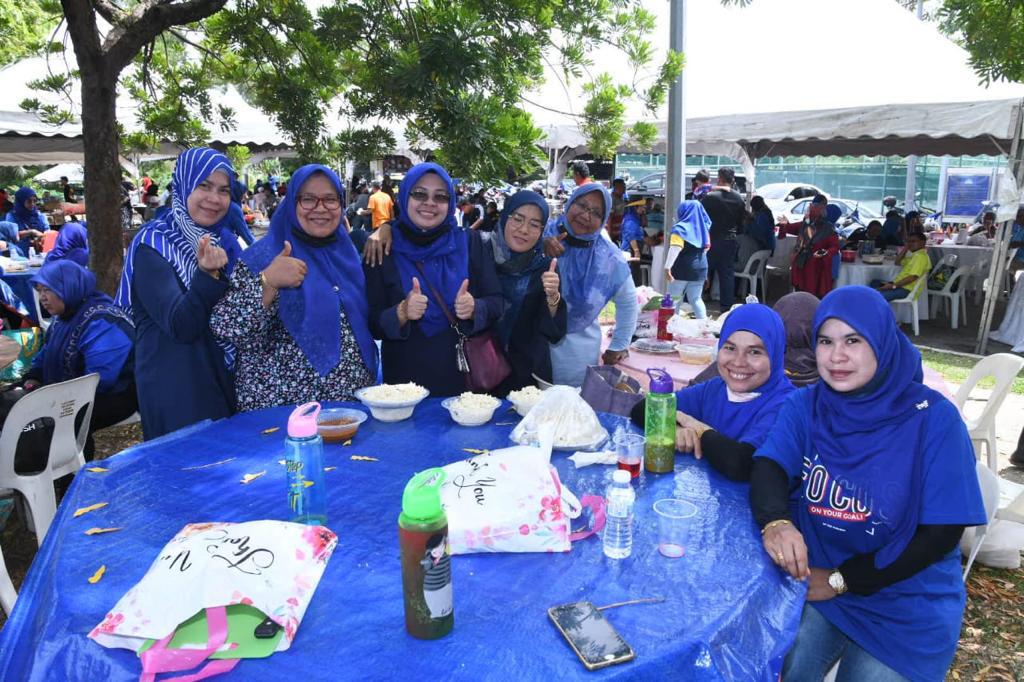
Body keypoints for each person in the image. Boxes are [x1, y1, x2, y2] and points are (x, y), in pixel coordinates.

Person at [751, 286, 986, 681]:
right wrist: (776, 521)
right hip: (820, 584)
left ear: (881, 341)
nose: (836, 356)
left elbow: (941, 533)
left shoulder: (932, 418)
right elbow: (769, 467)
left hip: (906, 598)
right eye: (826, 341)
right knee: (777, 663)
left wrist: (843, 580)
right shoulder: (807, 405)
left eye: (853, 340)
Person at [211, 165, 377, 411]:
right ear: (291, 203)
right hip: (282, 414)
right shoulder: (263, 255)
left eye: (330, 199)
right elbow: (228, 329)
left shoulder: (347, 254)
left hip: (348, 411)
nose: (320, 208)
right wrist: (268, 282)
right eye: (308, 199)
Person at [115, 147, 240, 440]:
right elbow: (180, 325)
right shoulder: (154, 243)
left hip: (217, 379)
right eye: (204, 186)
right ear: (183, 186)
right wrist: (206, 276)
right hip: (177, 391)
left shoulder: (221, 242)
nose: (214, 198)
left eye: (224, 190)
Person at [364, 162, 504, 396]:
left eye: (440, 196)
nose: (430, 203)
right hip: (403, 389)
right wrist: (400, 313)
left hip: (464, 383)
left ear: (450, 203)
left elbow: (497, 302)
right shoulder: (383, 248)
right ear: (404, 197)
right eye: (419, 194)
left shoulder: (470, 243)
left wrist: (474, 308)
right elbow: (370, 322)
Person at [630, 303, 794, 482]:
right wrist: (674, 427)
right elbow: (641, 409)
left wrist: (697, 429)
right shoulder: (715, 389)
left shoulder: (788, 404)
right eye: (730, 348)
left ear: (776, 354)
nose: (738, 362)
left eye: (754, 352)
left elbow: (740, 463)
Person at [20, 260, 137, 464]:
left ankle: (71, 473)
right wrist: (32, 379)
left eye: (48, 290)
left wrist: (52, 397)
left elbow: (99, 380)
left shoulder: (103, 320)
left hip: (115, 395)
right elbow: (45, 355)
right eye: (39, 291)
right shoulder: (63, 317)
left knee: (64, 418)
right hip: (72, 391)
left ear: (69, 287)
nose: (42, 298)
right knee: (16, 405)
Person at [542, 183, 638, 387]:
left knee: (570, 403)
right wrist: (540, 248)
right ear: (569, 203)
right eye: (582, 205)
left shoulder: (608, 258)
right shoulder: (542, 232)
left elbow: (628, 302)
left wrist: (619, 344)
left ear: (603, 220)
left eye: (596, 213)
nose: (586, 216)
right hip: (530, 346)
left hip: (575, 357)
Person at [485, 190, 567, 394]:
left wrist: (553, 297)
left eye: (534, 224)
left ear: (542, 230)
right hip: (481, 371)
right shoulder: (481, 255)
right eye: (518, 219)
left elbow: (553, 332)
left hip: (525, 378)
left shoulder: (545, 268)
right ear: (505, 217)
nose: (524, 230)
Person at [692, 291, 821, 388]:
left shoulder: (742, 365)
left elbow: (690, 393)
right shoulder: (827, 379)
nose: (739, 363)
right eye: (730, 348)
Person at [700, 168, 746, 311]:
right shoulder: (738, 198)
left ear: (719, 178)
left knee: (702, 272)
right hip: (730, 240)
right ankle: (726, 308)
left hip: (710, 240)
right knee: (727, 275)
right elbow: (741, 223)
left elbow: (701, 220)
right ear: (733, 180)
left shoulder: (710, 197)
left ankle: (695, 303)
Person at [665, 200, 711, 319]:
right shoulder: (704, 229)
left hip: (681, 268)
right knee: (696, 299)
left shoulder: (679, 229)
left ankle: (670, 325)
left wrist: (667, 267)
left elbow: (675, 248)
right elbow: (706, 249)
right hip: (701, 267)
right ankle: (704, 325)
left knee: (673, 299)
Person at [790, 195, 839, 298]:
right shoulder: (805, 224)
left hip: (816, 265)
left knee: (814, 292)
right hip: (802, 262)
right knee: (801, 291)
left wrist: (826, 253)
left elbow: (834, 246)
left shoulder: (828, 229)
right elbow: (794, 229)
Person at [871, 231, 930, 302]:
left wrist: (893, 286)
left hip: (905, 289)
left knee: (874, 297)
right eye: (908, 242)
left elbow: (912, 277)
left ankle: (874, 304)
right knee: (874, 283)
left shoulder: (921, 257)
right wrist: (906, 248)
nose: (910, 244)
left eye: (913, 241)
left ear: (923, 242)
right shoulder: (914, 255)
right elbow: (897, 262)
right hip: (899, 285)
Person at [737, 195, 777, 273]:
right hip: (768, 247)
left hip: (764, 246)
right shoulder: (767, 213)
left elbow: (757, 233)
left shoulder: (762, 216)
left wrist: (748, 222)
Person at [4, 187, 48, 255]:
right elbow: (12, 235)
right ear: (21, 201)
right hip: (19, 254)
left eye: (34, 201)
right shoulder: (12, 216)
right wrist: (31, 232)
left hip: (40, 254)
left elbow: (47, 231)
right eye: (29, 201)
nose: (32, 204)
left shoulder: (39, 216)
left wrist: (42, 237)